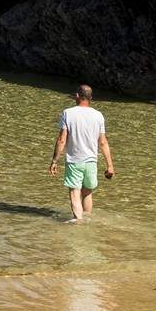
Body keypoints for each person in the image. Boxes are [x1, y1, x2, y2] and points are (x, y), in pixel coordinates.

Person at [48, 84, 114, 222]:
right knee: (87, 192)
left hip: (74, 161)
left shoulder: (68, 113)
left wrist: (54, 161)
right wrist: (110, 166)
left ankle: (78, 222)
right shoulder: (99, 115)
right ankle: (87, 221)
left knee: (74, 192)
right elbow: (103, 142)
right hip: (91, 161)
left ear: (77, 96)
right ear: (91, 98)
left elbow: (61, 140)